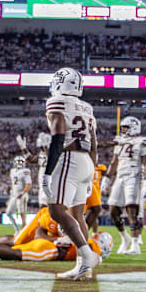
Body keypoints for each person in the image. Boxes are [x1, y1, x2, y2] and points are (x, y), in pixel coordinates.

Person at [42, 67, 101, 280]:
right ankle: (83, 268)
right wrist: (92, 172)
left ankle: (87, 254)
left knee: (56, 210)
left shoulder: (57, 102)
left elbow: (58, 138)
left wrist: (48, 172)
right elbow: (94, 143)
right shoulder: (87, 108)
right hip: (86, 161)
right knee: (77, 214)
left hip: (68, 158)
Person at [100, 116, 146, 254]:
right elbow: (114, 162)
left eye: (126, 127)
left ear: (134, 127)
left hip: (134, 176)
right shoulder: (120, 141)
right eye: (122, 127)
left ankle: (135, 245)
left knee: (131, 209)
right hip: (120, 176)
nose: (123, 130)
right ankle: (125, 238)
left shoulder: (143, 142)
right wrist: (106, 179)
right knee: (113, 209)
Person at [16, 132, 51, 207]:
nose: (41, 148)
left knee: (45, 202)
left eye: (42, 147)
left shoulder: (56, 152)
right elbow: (30, 159)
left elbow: (51, 158)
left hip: (50, 179)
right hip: (43, 180)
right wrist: (23, 147)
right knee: (42, 202)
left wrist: (45, 146)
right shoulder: (42, 154)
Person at [6, 155, 32, 234]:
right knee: (8, 213)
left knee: (22, 214)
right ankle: (17, 230)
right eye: (18, 162)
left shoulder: (26, 171)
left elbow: (29, 184)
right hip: (14, 195)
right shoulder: (13, 171)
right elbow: (13, 184)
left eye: (21, 162)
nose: (19, 163)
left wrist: (22, 193)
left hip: (22, 195)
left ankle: (24, 232)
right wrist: (11, 192)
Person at [85, 164, 106, 235]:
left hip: (95, 192)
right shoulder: (86, 165)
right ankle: (84, 232)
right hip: (87, 190)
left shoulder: (100, 167)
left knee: (94, 213)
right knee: (81, 214)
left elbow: (106, 174)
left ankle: (94, 233)